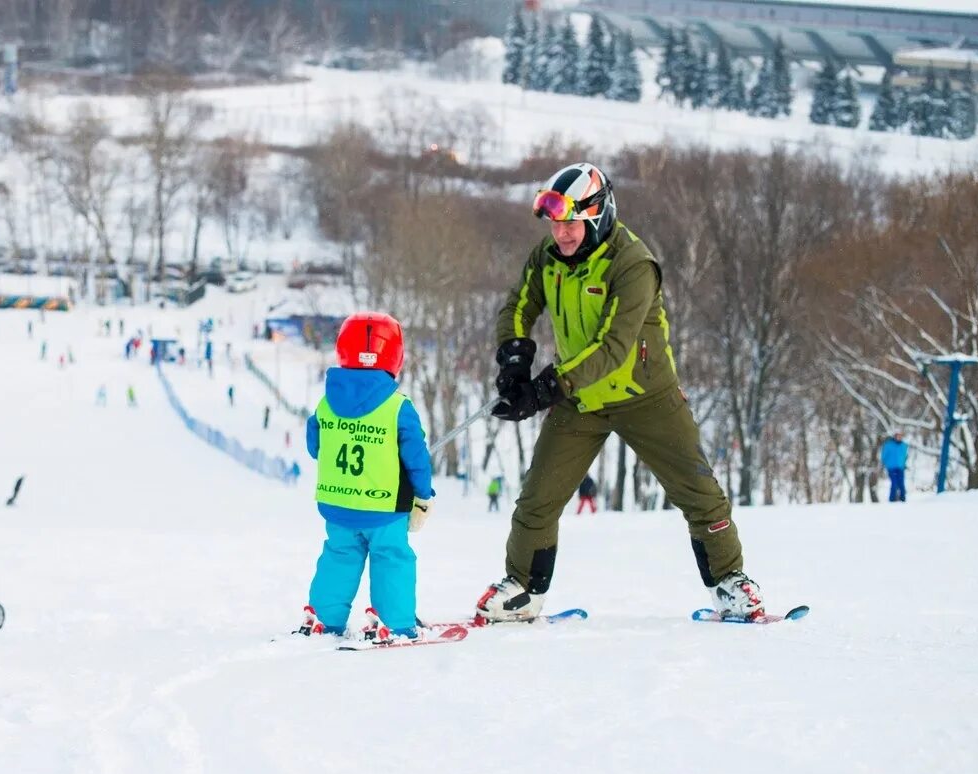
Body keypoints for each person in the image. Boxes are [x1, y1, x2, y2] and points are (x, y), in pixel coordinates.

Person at [480, 162, 763, 622]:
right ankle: (524, 590)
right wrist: (514, 362)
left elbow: (613, 347)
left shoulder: (633, 264)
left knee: (698, 492)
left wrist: (547, 387)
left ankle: (731, 582)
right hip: (582, 401)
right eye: (555, 224)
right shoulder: (547, 258)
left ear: (597, 216)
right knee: (537, 498)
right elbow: (517, 305)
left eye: (571, 223)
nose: (562, 234)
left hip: (645, 395)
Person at [298, 312, 434, 641]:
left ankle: (323, 618)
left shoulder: (326, 403)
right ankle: (394, 622)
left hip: (338, 504)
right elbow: (416, 457)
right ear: (395, 356)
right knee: (392, 558)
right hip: (383, 509)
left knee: (339, 556)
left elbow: (316, 447)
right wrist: (423, 497)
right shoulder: (398, 407)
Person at [881, 431, 908, 502]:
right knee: (894, 484)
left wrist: (903, 464)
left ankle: (903, 500)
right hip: (891, 468)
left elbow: (905, 456)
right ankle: (892, 500)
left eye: (900, 436)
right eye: (898, 436)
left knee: (901, 484)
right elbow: (884, 456)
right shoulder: (888, 445)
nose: (899, 437)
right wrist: (886, 464)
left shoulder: (904, 445)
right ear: (895, 436)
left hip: (900, 467)